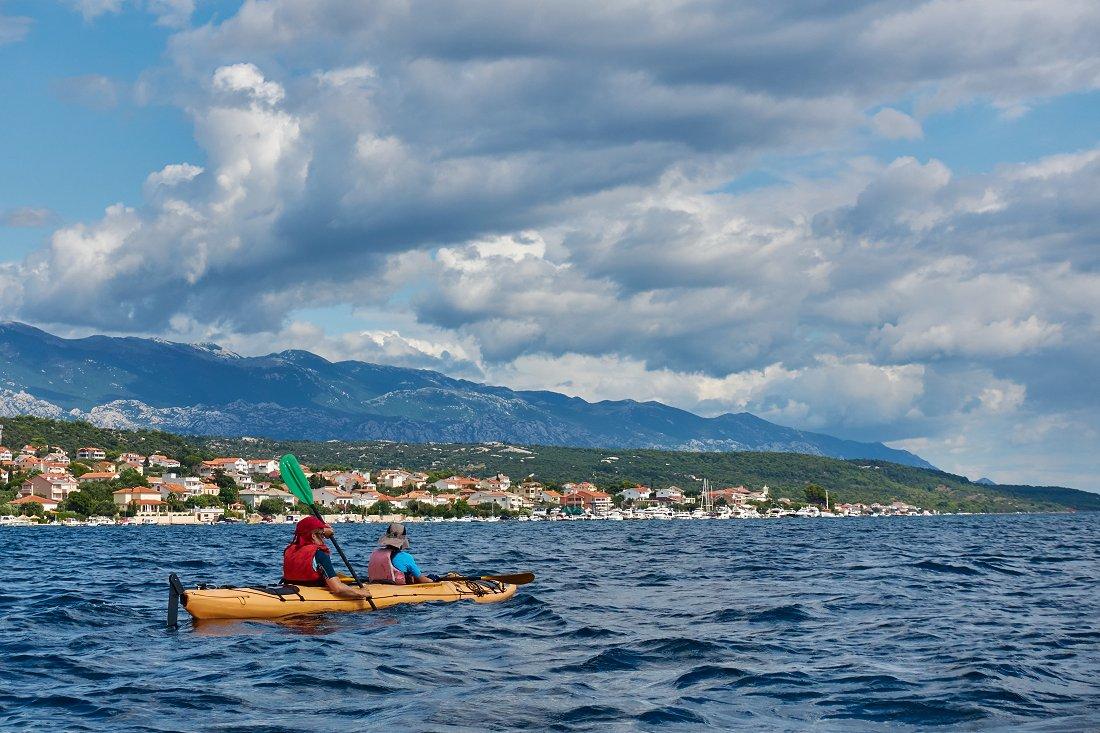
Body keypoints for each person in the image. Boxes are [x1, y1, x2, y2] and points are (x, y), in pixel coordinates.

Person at [282, 515, 373, 600]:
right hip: (313, 596)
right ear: (313, 536)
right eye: (322, 535)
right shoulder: (319, 554)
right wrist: (361, 592)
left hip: (292, 591)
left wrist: (323, 530)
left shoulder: (289, 550)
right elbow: (338, 588)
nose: (324, 538)